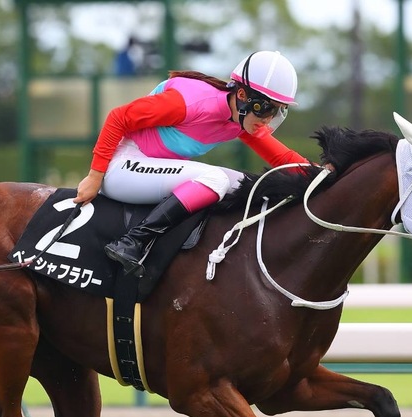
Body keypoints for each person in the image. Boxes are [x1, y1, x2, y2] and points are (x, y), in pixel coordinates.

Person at [74, 50, 309, 277]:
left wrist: (325, 175)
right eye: (265, 108)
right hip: (121, 167)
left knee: (250, 184)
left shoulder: (240, 118)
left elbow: (284, 159)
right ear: (242, 96)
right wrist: (95, 176)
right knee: (215, 179)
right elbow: (119, 117)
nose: (267, 119)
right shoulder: (189, 102)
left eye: (277, 111)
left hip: (149, 170)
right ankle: (133, 242)